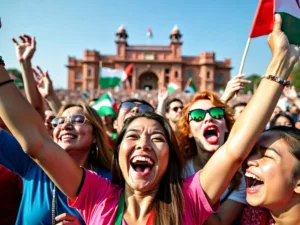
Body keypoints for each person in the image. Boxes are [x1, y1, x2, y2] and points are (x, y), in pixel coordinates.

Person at [0, 14, 298, 225]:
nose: (143, 143)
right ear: (116, 153)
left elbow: (235, 150)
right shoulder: (99, 195)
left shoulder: (188, 199)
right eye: (132, 136)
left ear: (172, 156)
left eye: (157, 137)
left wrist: (279, 65)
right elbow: (37, 141)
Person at [0, 102, 112, 224]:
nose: (65, 126)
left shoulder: (110, 182)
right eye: (59, 121)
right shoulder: (33, 163)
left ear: (95, 136)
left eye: (78, 119)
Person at [177, 91, 246, 225]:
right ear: (189, 131)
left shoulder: (240, 174)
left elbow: (220, 223)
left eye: (216, 114)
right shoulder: (178, 168)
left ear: (226, 127)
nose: (208, 118)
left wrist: (190, 193)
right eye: (198, 116)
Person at [241, 126, 300, 225]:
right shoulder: (253, 215)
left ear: (298, 184)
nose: (249, 160)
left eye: (267, 155)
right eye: (252, 153)